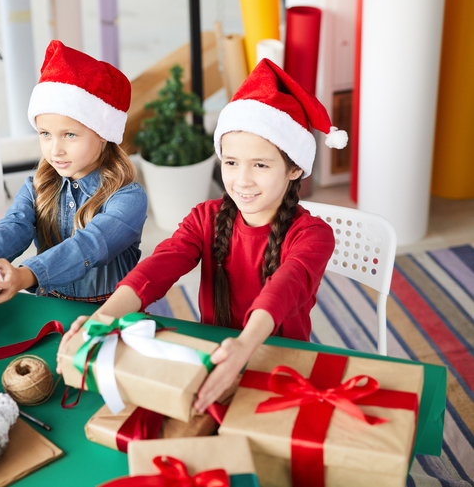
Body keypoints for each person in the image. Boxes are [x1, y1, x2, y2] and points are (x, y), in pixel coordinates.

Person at [58, 58, 347, 412]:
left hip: (281, 368)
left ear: (295, 168)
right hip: (211, 359)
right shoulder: (205, 218)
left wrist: (243, 347)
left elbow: (284, 287)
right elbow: (159, 266)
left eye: (260, 164)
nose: (242, 180)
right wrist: (103, 317)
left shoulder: (315, 235)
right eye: (230, 162)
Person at [0, 40, 147, 305]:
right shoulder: (36, 185)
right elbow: (15, 225)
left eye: (70, 135)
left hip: (109, 313)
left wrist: (25, 275)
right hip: (50, 305)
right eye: (45, 134)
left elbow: (89, 246)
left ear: (103, 134)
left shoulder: (129, 198)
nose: (55, 150)